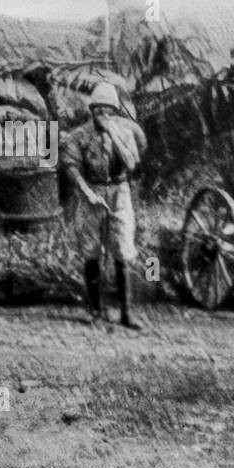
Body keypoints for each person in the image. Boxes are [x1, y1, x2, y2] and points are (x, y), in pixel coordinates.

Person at [59, 81, 148, 329]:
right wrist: (86, 191)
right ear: (92, 109)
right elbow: (70, 166)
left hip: (119, 192)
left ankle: (127, 312)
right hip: (92, 192)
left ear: (115, 111)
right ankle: (95, 310)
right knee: (91, 249)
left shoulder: (126, 133)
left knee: (122, 248)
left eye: (108, 109)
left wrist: (115, 135)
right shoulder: (80, 135)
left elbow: (133, 166)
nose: (103, 114)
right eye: (99, 109)